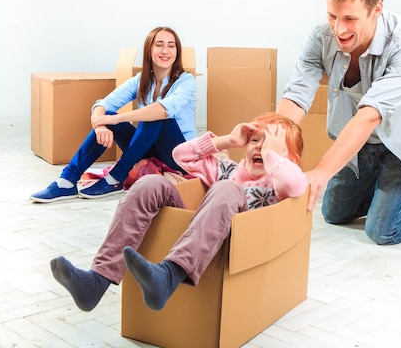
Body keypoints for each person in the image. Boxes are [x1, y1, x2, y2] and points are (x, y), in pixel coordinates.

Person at [50, 112, 308, 311]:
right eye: (255, 140)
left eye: (271, 144)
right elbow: (179, 156)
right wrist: (227, 140)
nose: (261, 148)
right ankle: (97, 281)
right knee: (150, 183)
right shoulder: (228, 170)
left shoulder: (279, 184)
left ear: (290, 159)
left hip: (230, 247)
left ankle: (169, 275)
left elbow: (296, 184)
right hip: (199, 235)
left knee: (227, 189)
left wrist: (274, 157)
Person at [276, 0, 401, 245]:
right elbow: (298, 92)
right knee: (334, 214)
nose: (339, 28)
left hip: (399, 142)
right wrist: (273, 140)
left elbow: (370, 115)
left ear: (376, 9)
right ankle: (399, 190)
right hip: (358, 142)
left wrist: (322, 171)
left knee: (383, 230)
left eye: (350, 18)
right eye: (332, 15)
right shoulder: (320, 37)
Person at [31, 26, 196, 203]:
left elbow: (162, 110)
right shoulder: (142, 80)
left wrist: (116, 118)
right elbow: (102, 104)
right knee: (111, 115)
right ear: (149, 50)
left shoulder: (186, 82)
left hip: (181, 157)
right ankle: (67, 181)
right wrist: (102, 124)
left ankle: (115, 178)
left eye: (171, 46)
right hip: (150, 151)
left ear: (176, 52)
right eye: (159, 45)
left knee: (154, 117)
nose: (165, 50)